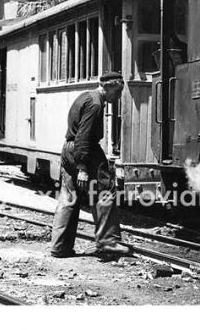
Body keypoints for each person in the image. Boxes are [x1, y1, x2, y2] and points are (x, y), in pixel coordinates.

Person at [50, 71, 133, 258]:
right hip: (84, 150)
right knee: (105, 190)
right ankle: (109, 242)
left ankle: (60, 247)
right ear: (107, 87)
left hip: (68, 148)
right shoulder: (95, 104)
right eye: (117, 92)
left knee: (69, 197)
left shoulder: (85, 96)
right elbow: (83, 136)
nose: (118, 96)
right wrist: (83, 168)